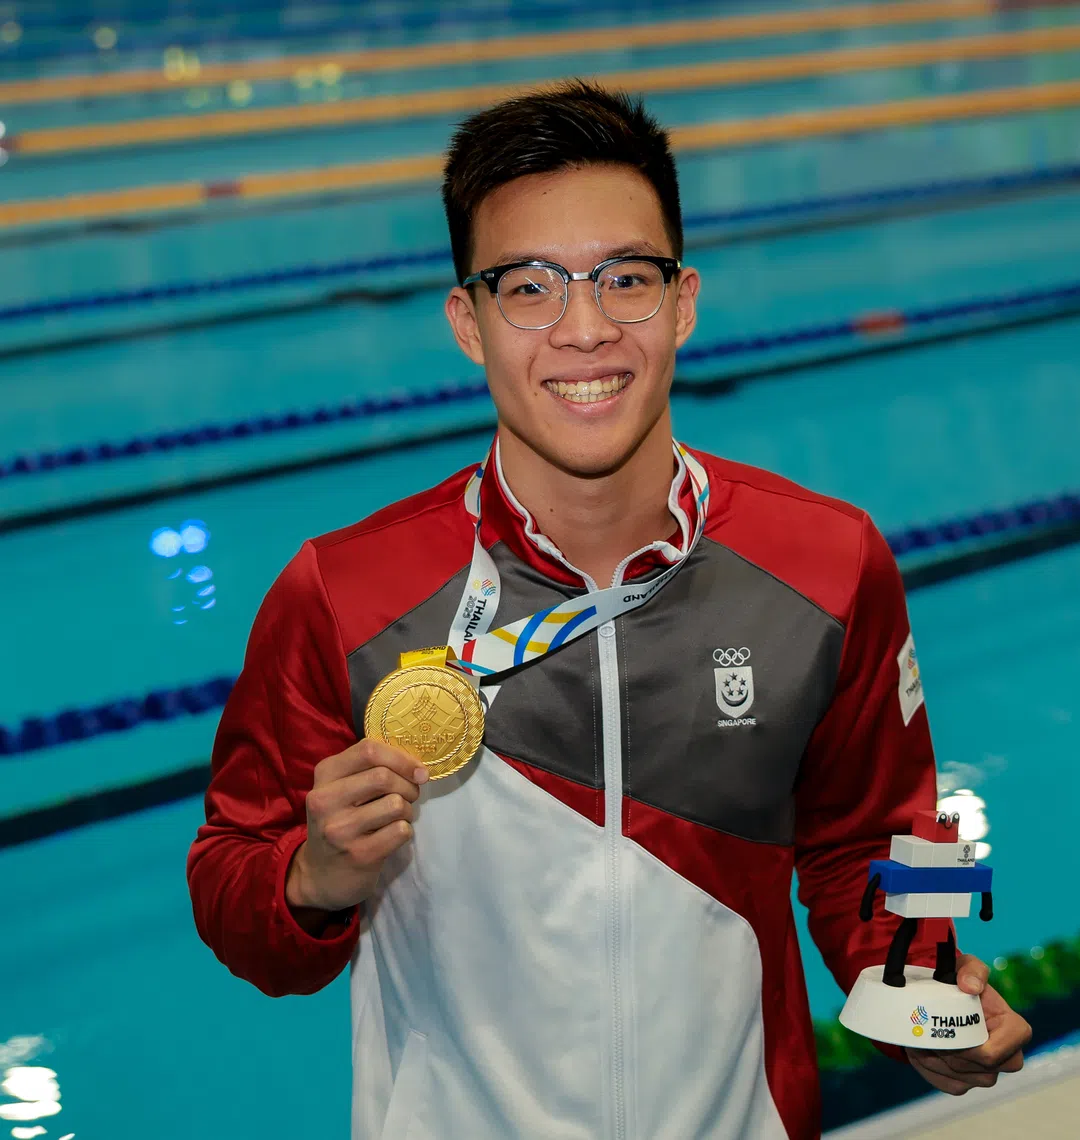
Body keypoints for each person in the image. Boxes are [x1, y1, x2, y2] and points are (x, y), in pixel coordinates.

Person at [187, 81, 1031, 1139]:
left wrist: (922, 988)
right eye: (528, 288)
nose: (584, 331)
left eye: (624, 278)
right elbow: (232, 887)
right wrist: (312, 879)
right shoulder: (342, 595)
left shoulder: (828, 562)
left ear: (683, 301)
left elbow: (874, 836)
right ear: (470, 321)